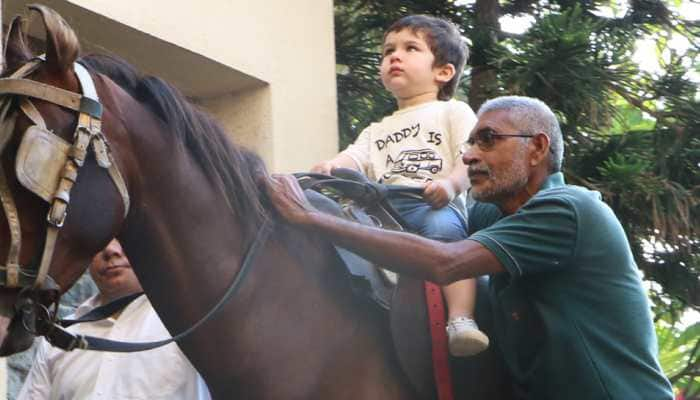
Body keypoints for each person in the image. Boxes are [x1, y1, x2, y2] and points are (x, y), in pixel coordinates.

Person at [266, 96, 675, 399]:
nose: (469, 155)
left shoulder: (569, 210)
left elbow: (446, 262)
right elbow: (414, 228)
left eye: (488, 140)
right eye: (468, 145)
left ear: (537, 147)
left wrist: (313, 220)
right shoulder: (494, 217)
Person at [311, 14, 488, 356]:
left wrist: (450, 186)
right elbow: (354, 157)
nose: (394, 56)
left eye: (410, 48)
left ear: (443, 72)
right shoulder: (376, 129)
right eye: (388, 50)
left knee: (449, 240)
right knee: (334, 229)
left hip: (430, 203)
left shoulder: (453, 112)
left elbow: (469, 159)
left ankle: (461, 318)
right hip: (380, 209)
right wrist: (331, 166)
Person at [18, 239, 211, 400]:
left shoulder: (191, 320)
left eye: (123, 239)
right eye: (101, 241)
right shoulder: (60, 337)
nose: (110, 250)